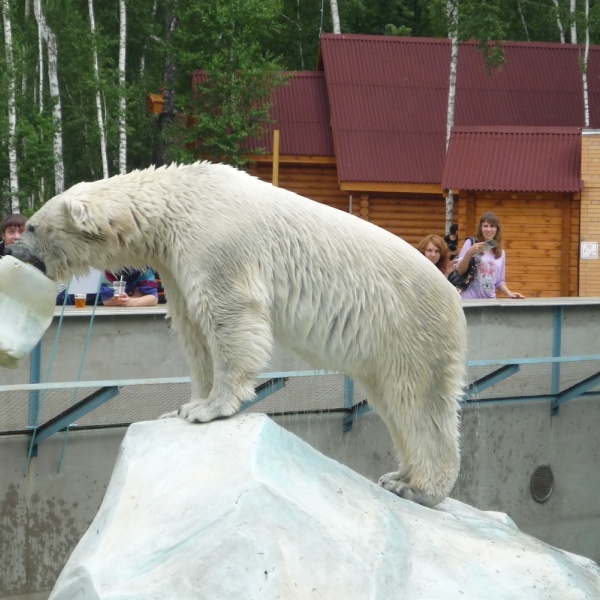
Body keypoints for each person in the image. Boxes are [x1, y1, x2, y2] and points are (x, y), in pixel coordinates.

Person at [456, 212, 525, 299]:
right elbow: (460, 270)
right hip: (469, 299)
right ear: (480, 228)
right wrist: (469, 253)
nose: (488, 229)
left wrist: (509, 293)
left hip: (490, 302)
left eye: (492, 226)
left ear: (497, 229)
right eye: (485, 226)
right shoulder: (471, 243)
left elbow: (499, 282)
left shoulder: (501, 253)